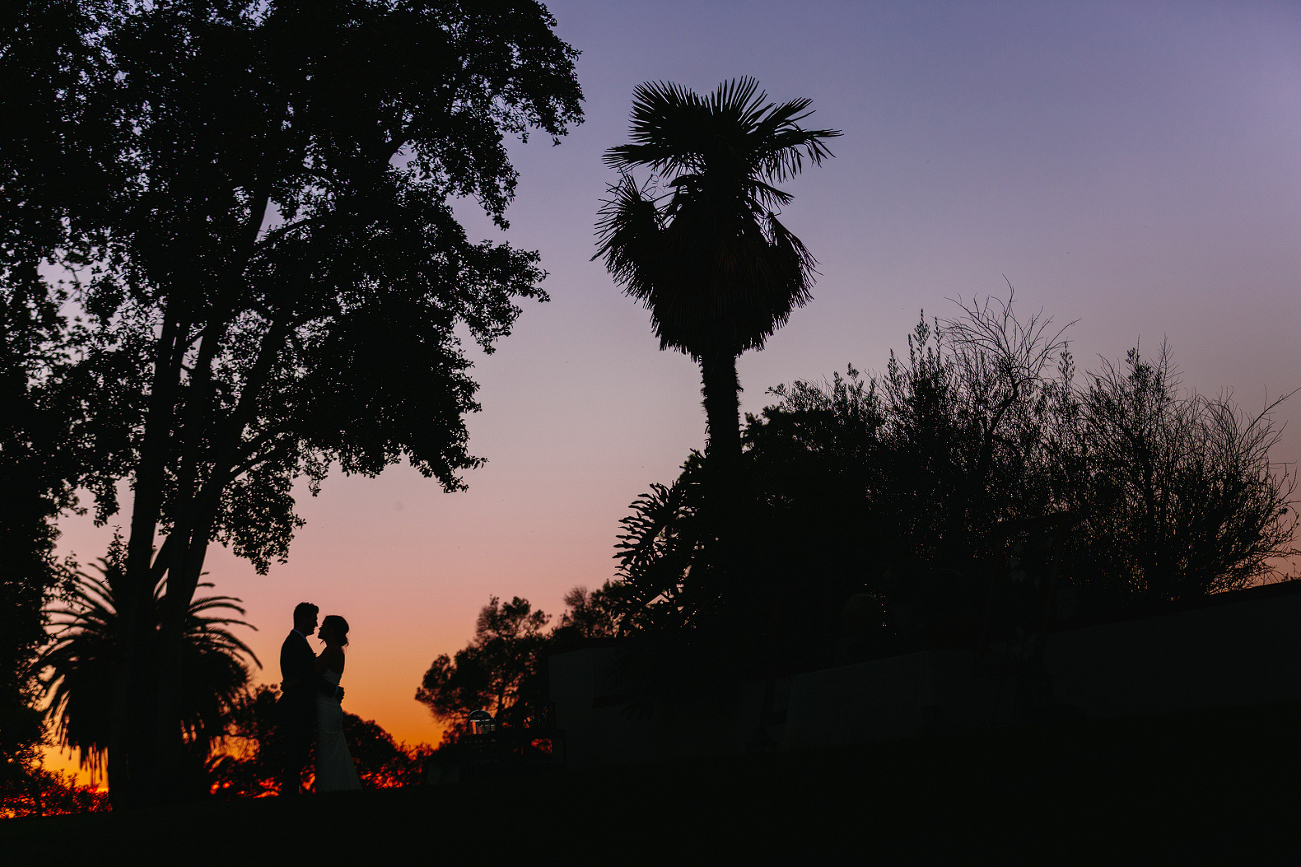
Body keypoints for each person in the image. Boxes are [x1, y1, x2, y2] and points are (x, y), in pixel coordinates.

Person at [275, 602, 342, 795]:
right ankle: (289, 795)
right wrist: (333, 690)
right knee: (294, 756)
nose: (316, 623)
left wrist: (289, 684)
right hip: (296, 708)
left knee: (296, 757)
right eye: (313, 619)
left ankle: (290, 794)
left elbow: (305, 675)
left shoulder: (297, 642)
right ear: (303, 618)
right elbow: (309, 676)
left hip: (298, 707)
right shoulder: (294, 643)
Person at [314, 615, 362, 792]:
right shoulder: (333, 650)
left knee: (329, 754)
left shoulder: (332, 650)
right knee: (331, 752)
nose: (320, 627)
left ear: (332, 629)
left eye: (324, 625)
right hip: (328, 706)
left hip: (327, 708)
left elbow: (313, 674)